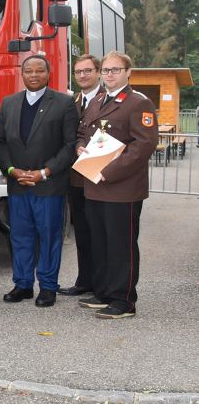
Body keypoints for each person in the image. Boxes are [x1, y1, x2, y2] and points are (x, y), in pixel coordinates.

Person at [75, 51, 158, 319]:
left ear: (128, 72)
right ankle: (104, 292)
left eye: (115, 70)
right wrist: (80, 147)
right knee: (100, 242)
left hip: (122, 188)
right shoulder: (98, 100)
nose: (109, 74)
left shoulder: (138, 103)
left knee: (121, 246)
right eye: (106, 70)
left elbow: (143, 146)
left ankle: (124, 301)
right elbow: (84, 132)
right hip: (94, 185)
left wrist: (108, 171)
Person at [0, 56, 78, 307]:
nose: (34, 75)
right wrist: (11, 170)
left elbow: (69, 146)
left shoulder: (64, 103)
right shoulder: (9, 103)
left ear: (48, 73)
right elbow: (0, 142)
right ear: (22, 74)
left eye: (39, 70)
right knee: (20, 237)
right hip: (17, 184)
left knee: (49, 237)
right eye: (28, 71)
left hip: (48, 185)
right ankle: (22, 284)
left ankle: (48, 286)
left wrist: (45, 172)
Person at [58, 54, 102, 297]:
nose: (83, 75)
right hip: (76, 178)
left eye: (88, 71)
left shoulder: (108, 99)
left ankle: (103, 284)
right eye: (78, 72)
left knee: (101, 234)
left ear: (98, 72)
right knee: (83, 234)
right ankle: (85, 281)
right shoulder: (71, 101)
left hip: (101, 178)